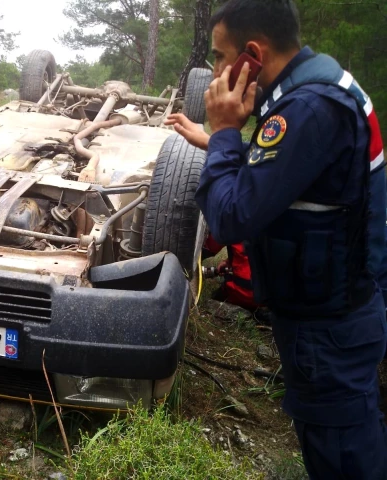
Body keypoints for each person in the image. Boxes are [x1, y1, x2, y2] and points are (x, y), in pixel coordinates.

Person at [168, 0, 387, 478]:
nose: (216, 71)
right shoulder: (318, 84)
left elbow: (230, 219)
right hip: (338, 314)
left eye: (220, 57)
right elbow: (292, 169)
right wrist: (214, 142)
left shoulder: (307, 108)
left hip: (327, 329)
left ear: (252, 53)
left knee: (342, 456)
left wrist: (225, 131)